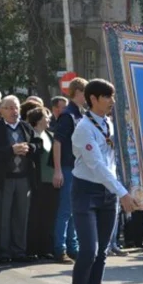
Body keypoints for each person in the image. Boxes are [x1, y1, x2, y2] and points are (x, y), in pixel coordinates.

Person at [70, 79, 139, 284]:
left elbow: (117, 160)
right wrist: (123, 193)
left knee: (103, 253)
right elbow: (97, 166)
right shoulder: (83, 129)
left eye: (112, 96)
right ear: (93, 99)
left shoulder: (110, 123)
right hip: (86, 191)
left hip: (108, 194)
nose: (112, 101)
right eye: (107, 97)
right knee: (89, 249)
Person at [0, 95, 38, 263]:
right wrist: (11, 150)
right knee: (4, 216)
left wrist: (30, 148)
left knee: (21, 216)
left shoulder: (26, 127)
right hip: (4, 178)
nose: (14, 111)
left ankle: (19, 250)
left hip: (23, 178)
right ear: (2, 110)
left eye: (16, 108)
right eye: (10, 108)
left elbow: (37, 145)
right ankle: (4, 252)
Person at [52, 77, 87, 264]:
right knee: (66, 210)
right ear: (78, 92)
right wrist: (57, 170)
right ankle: (60, 248)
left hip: (78, 168)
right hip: (67, 167)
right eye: (85, 93)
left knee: (75, 210)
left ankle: (73, 247)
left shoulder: (80, 115)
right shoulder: (67, 116)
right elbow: (57, 142)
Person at [26, 107, 57, 260]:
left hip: (51, 182)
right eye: (46, 116)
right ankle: (33, 248)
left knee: (48, 216)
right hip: (37, 182)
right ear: (38, 120)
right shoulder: (30, 136)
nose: (49, 119)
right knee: (35, 216)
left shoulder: (50, 135)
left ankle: (46, 248)